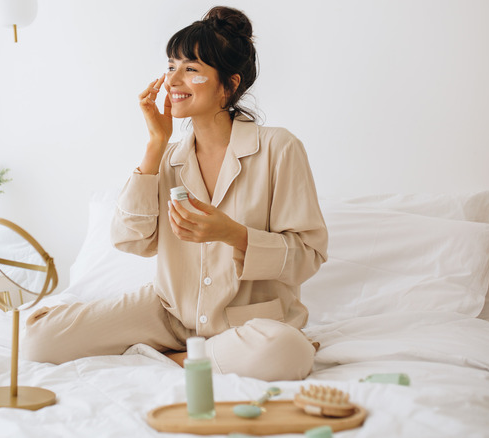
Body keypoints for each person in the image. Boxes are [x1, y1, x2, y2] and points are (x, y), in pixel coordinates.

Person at [22, 6, 328, 381]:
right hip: (170, 314)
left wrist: (232, 234)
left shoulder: (279, 148)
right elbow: (130, 240)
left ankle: (181, 358)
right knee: (38, 338)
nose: (173, 80)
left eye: (191, 69)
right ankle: (197, 355)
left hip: (246, 323)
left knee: (287, 351)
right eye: (171, 66)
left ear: (228, 86)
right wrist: (155, 143)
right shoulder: (169, 158)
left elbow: (308, 257)